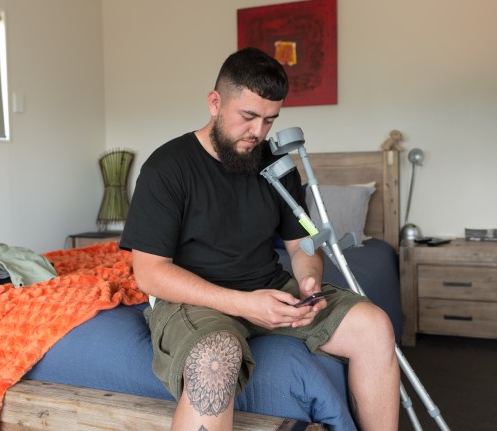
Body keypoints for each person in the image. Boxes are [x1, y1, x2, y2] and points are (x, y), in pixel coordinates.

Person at [119, 47, 399, 431]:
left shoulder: (276, 165)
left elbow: (301, 245)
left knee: (374, 326)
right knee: (214, 360)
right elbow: (149, 273)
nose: (258, 133)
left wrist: (308, 281)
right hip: (197, 299)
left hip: (270, 289)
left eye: (269, 121)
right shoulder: (167, 168)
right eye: (248, 117)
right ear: (215, 103)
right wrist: (243, 304)